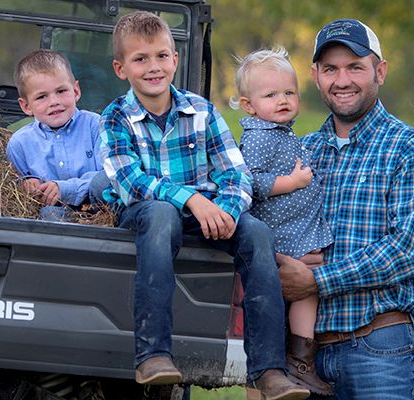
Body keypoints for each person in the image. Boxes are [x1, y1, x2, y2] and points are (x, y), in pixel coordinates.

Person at [99, 11, 309, 399]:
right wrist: (194, 199)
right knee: (162, 215)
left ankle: (266, 370)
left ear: (175, 59)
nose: (153, 67)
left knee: (257, 232)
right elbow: (130, 183)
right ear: (120, 68)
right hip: (146, 211)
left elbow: (237, 174)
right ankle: (153, 354)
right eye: (140, 59)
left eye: (161, 56)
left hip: (206, 213)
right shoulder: (115, 118)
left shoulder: (203, 111)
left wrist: (228, 210)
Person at [277, 18, 414, 399]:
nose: (342, 80)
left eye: (355, 67)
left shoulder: (409, 149)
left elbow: (411, 249)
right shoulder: (300, 152)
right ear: (315, 76)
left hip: (380, 350)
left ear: (379, 71)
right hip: (303, 356)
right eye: (331, 69)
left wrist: (317, 280)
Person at [232, 47, 334, 396]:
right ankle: (296, 361)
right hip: (281, 236)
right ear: (249, 105)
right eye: (271, 95)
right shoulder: (260, 136)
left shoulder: (283, 133)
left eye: (289, 92)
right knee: (299, 294)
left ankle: (298, 359)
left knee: (305, 293)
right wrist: (291, 183)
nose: (283, 100)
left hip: (296, 231)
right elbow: (248, 182)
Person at [7, 49, 104, 221]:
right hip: (51, 219)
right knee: (49, 214)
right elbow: (12, 188)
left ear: (76, 91)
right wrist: (28, 185)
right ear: (26, 106)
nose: (54, 102)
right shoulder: (19, 144)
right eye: (42, 97)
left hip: (101, 212)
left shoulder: (96, 126)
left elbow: (109, 177)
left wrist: (65, 189)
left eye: (61, 91)